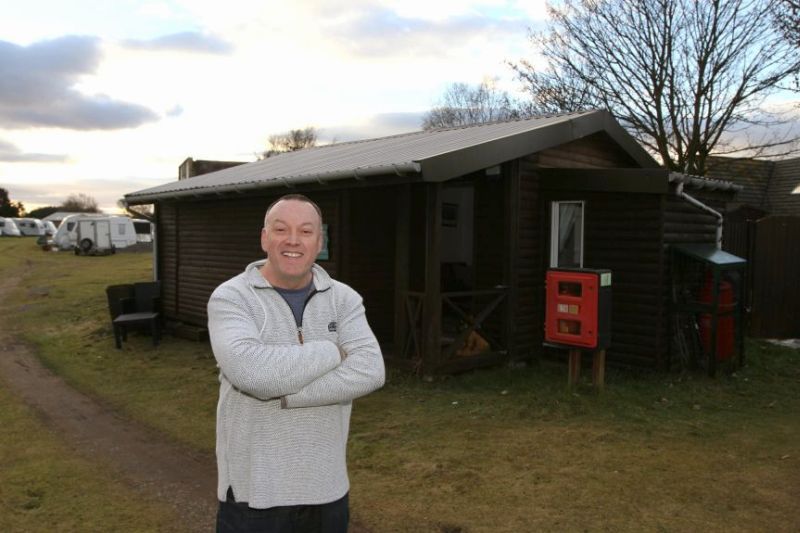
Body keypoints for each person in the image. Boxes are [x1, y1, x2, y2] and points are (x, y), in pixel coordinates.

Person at [207, 193, 385, 532]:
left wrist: (288, 394)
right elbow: (254, 374)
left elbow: (371, 370)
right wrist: (334, 352)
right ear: (264, 238)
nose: (292, 240)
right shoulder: (231, 297)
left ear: (320, 241)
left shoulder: (344, 298)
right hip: (254, 495)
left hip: (327, 491)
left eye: (305, 231)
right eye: (280, 229)